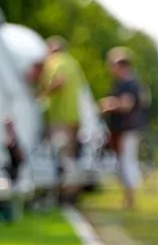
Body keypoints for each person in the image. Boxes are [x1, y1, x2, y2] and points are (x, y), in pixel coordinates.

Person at [37, 36, 87, 202]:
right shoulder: (73, 62)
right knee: (69, 156)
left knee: (61, 156)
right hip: (72, 116)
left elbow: (60, 82)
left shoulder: (55, 61)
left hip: (60, 117)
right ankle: (71, 192)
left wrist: (42, 95)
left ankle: (65, 195)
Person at [99, 47, 146, 210]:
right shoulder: (126, 83)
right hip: (123, 129)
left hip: (127, 129)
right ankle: (128, 198)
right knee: (124, 163)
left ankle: (130, 200)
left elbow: (126, 104)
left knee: (127, 163)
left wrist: (108, 105)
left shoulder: (128, 83)